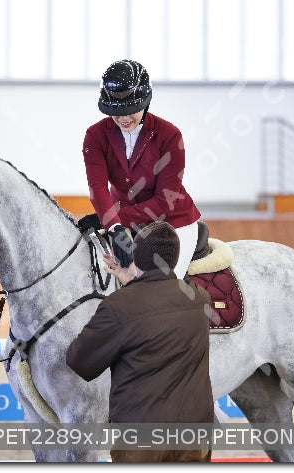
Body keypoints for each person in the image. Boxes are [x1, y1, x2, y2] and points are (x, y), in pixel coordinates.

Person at [65, 221, 213, 463]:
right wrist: (131, 284)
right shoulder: (200, 298)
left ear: (137, 257)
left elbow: (79, 361)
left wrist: (126, 292)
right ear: (174, 258)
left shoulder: (119, 305)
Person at [82, 59, 201, 280]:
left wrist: (111, 219)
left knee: (158, 287)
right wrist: (114, 227)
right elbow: (97, 187)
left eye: (131, 111)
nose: (123, 118)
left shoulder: (170, 135)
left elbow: (164, 202)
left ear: (145, 102)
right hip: (121, 222)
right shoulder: (95, 136)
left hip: (171, 224)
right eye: (116, 111)